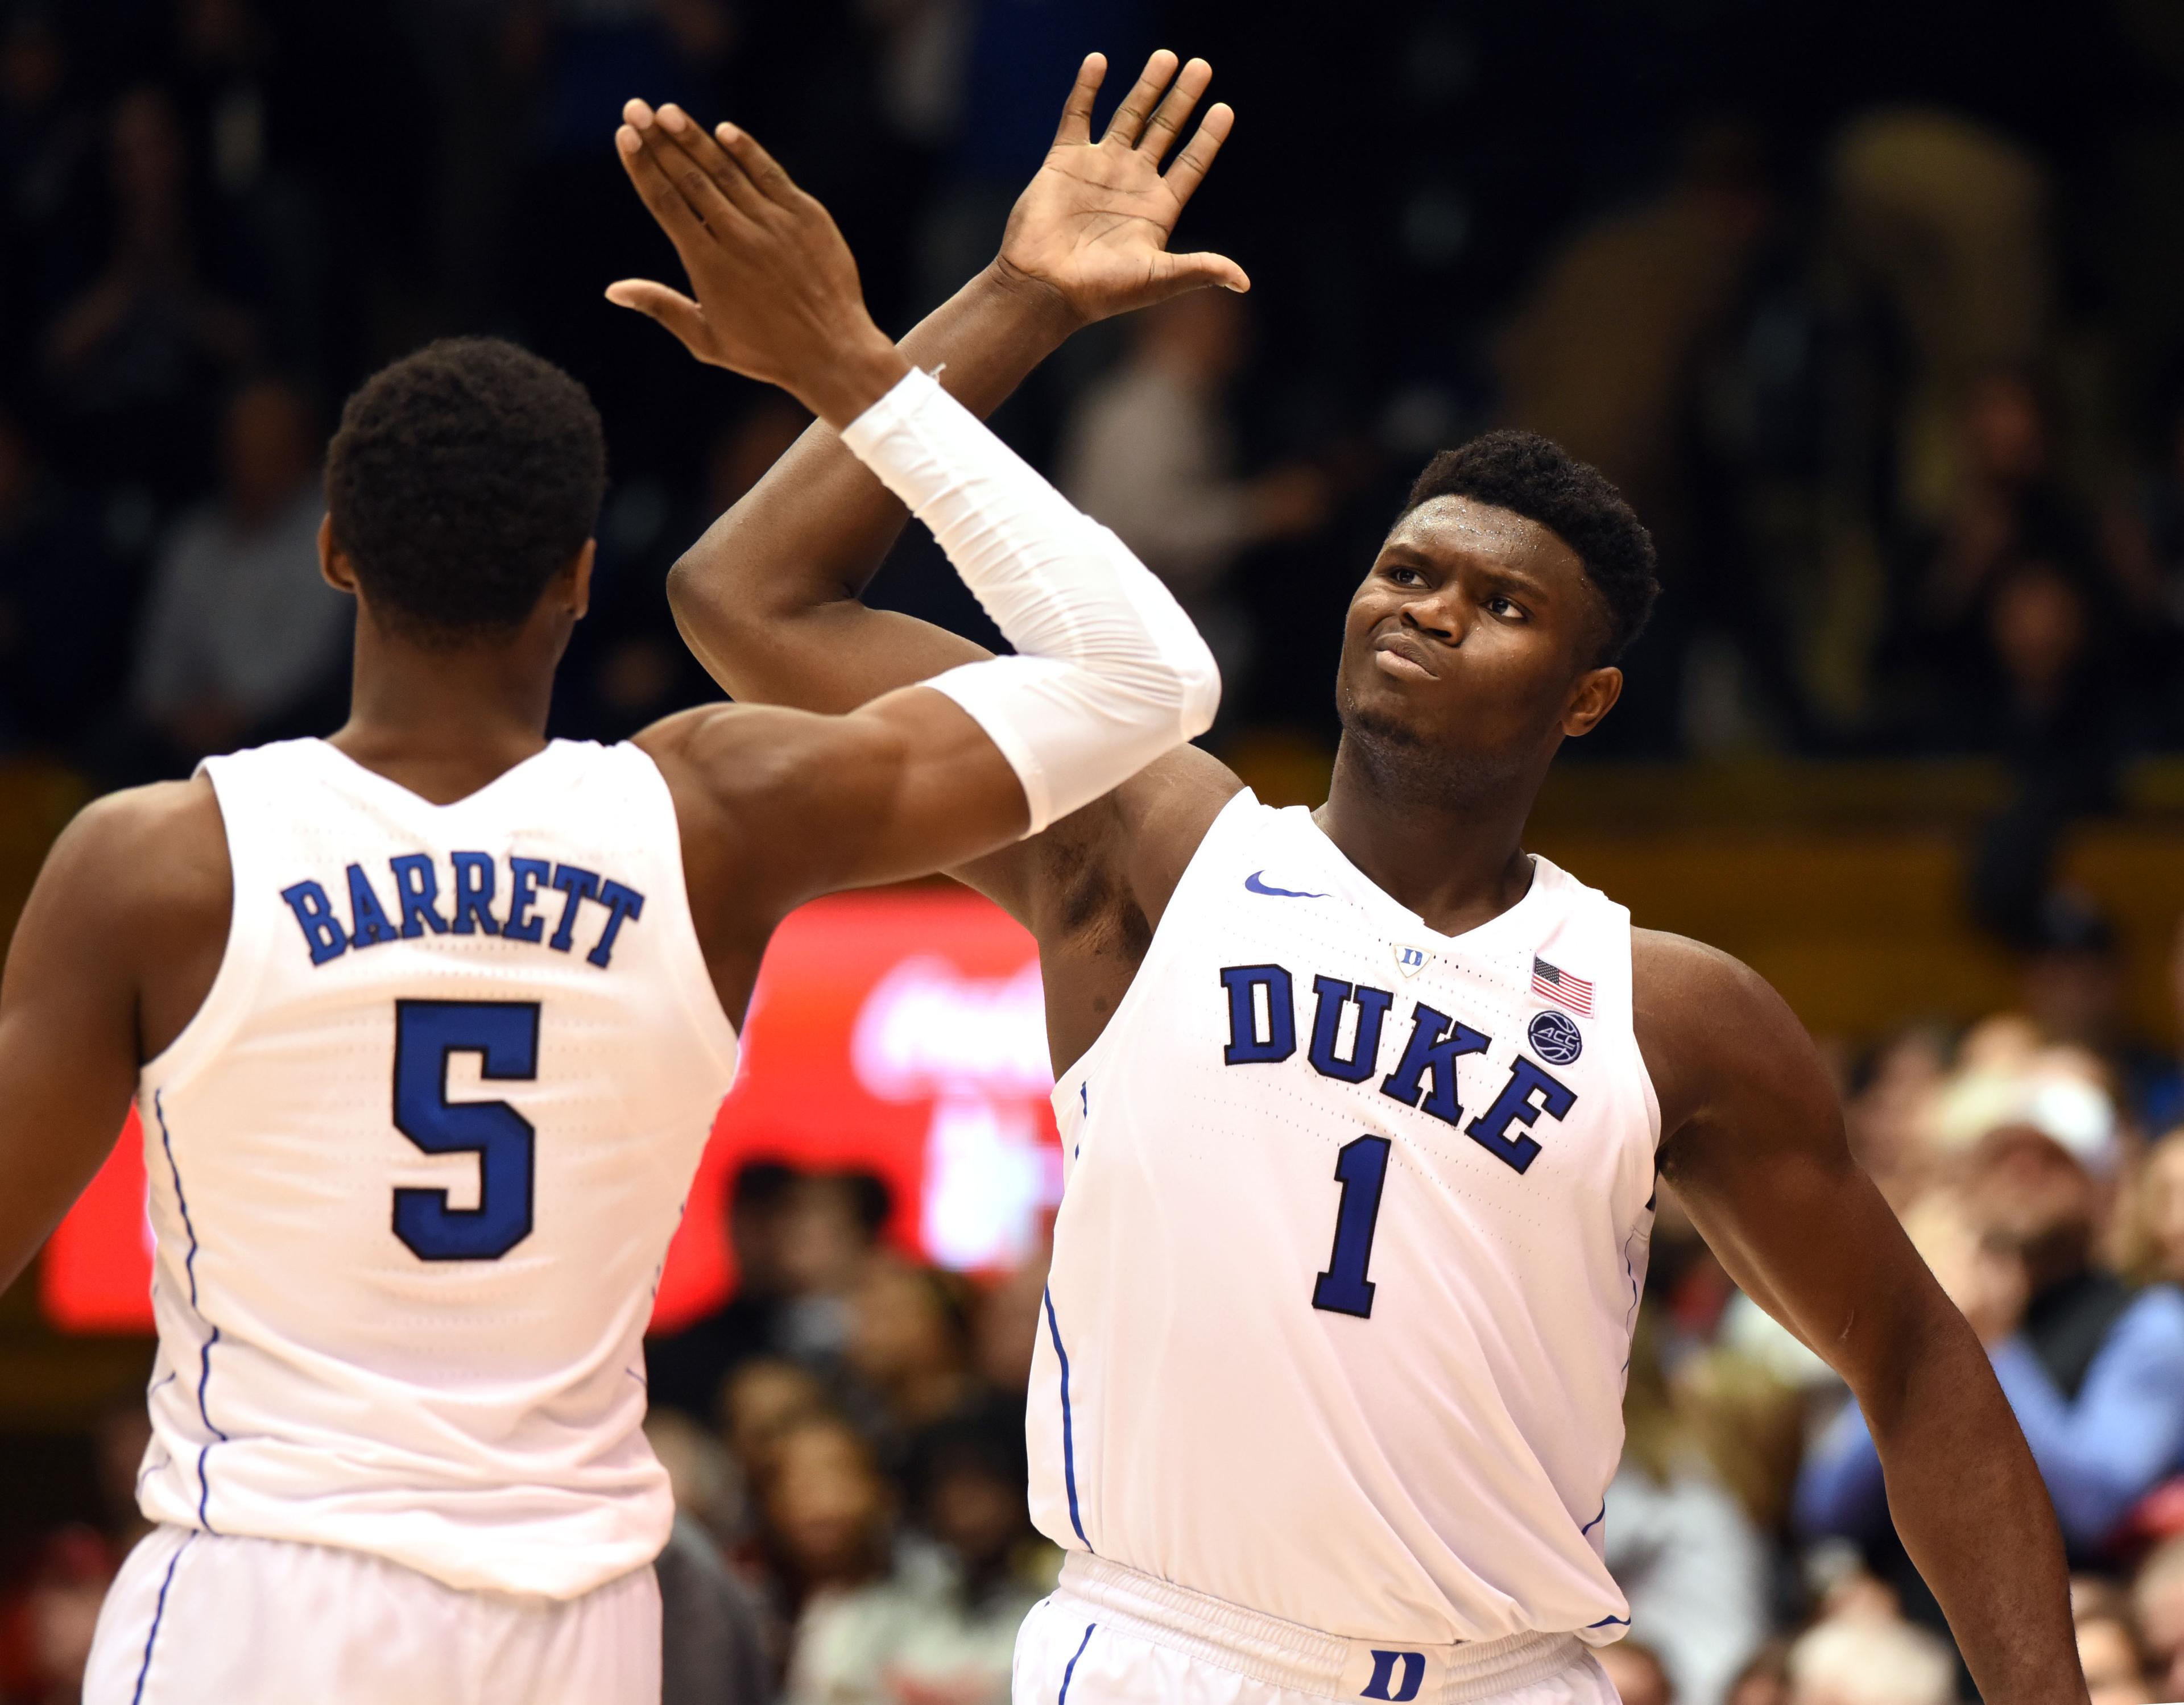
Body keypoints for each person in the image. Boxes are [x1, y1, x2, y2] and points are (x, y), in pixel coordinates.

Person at [623, 51, 2086, 1705]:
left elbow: (1921, 1363)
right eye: (1404, 568)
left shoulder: (1670, 1009)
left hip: (1506, 1673)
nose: (1428, 608)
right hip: (1162, 1649)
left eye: (1498, 604)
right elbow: (750, 598)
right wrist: (1016, 302)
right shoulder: (1149, 838)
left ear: (1588, 700)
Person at [0, 109, 1220, 1705]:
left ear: (332, 555)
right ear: (581, 576)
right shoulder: (709, 818)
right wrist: (959, 325)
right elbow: (1150, 679)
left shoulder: (162, 858)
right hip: (577, 1624)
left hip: (261, 1606)